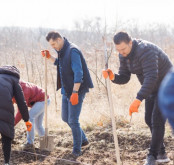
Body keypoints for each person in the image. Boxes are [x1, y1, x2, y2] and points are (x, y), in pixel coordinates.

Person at [102, 31, 172, 165]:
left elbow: (152, 77)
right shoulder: (124, 55)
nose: (121, 52)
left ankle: (152, 156)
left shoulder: (146, 50)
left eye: (123, 48)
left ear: (130, 42)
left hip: (167, 87)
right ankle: (161, 153)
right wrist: (113, 77)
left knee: (157, 120)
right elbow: (124, 76)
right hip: (152, 88)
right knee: (148, 119)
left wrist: (138, 99)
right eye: (118, 50)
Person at [41, 31, 94, 156]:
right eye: (51, 45)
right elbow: (61, 64)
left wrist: (75, 92)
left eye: (54, 44)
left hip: (76, 90)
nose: (53, 47)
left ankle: (77, 149)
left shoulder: (73, 50)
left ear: (59, 39)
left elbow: (79, 73)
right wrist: (50, 57)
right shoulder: (62, 51)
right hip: (66, 89)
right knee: (65, 118)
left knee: (73, 120)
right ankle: (84, 139)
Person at [14, 80, 50, 149]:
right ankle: (46, 144)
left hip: (43, 100)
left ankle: (30, 143)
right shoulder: (15, 88)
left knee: (30, 117)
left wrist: (13, 123)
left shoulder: (23, 91)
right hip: (39, 101)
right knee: (38, 124)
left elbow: (21, 111)